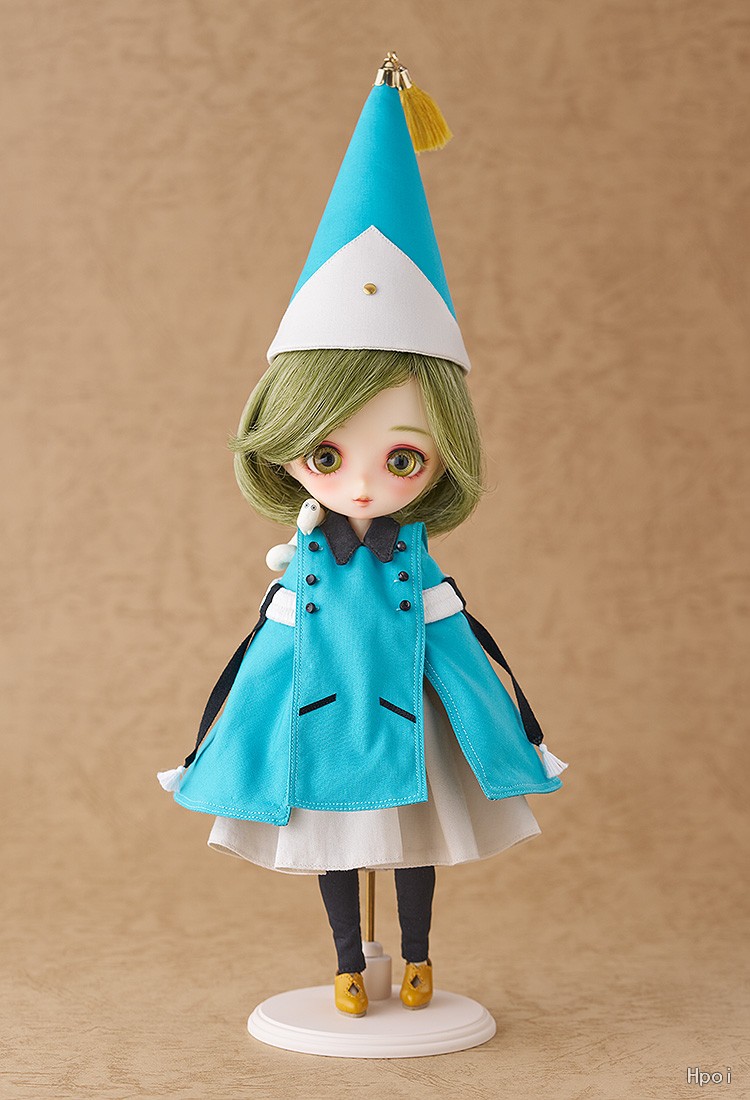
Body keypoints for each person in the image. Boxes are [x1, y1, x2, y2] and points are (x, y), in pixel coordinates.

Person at [157, 55, 567, 1019]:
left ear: (444, 456)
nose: (366, 484)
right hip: (326, 720)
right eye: (327, 454)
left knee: (417, 838)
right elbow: (267, 657)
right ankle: (350, 961)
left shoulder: (414, 564)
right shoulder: (300, 565)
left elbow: (457, 644)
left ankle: (415, 956)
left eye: (404, 457)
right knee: (335, 843)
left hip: (406, 715)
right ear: (284, 446)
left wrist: (500, 730)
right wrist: (234, 740)